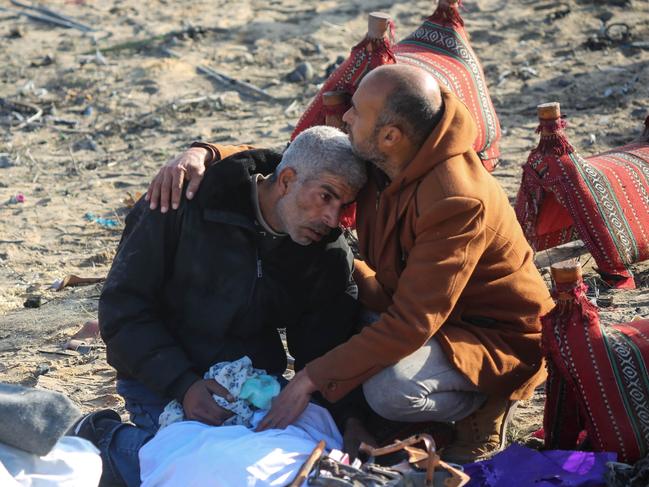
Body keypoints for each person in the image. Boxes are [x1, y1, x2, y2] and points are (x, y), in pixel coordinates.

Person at [148, 64, 554, 463]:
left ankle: (482, 407)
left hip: (488, 338)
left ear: (390, 135)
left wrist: (307, 380)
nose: (345, 116)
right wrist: (206, 152)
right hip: (414, 303)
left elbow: (414, 322)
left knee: (388, 390)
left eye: (356, 111)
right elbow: (297, 160)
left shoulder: (455, 200)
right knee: (337, 296)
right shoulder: (388, 155)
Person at [78, 126, 367, 487]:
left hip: (253, 383)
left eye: (343, 206)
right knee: (205, 470)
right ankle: (105, 440)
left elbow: (327, 346)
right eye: (326, 196)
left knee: (310, 460)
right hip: (161, 379)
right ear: (287, 179)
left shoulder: (325, 250)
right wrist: (184, 384)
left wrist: (351, 418)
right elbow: (123, 311)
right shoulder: (184, 201)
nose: (331, 218)